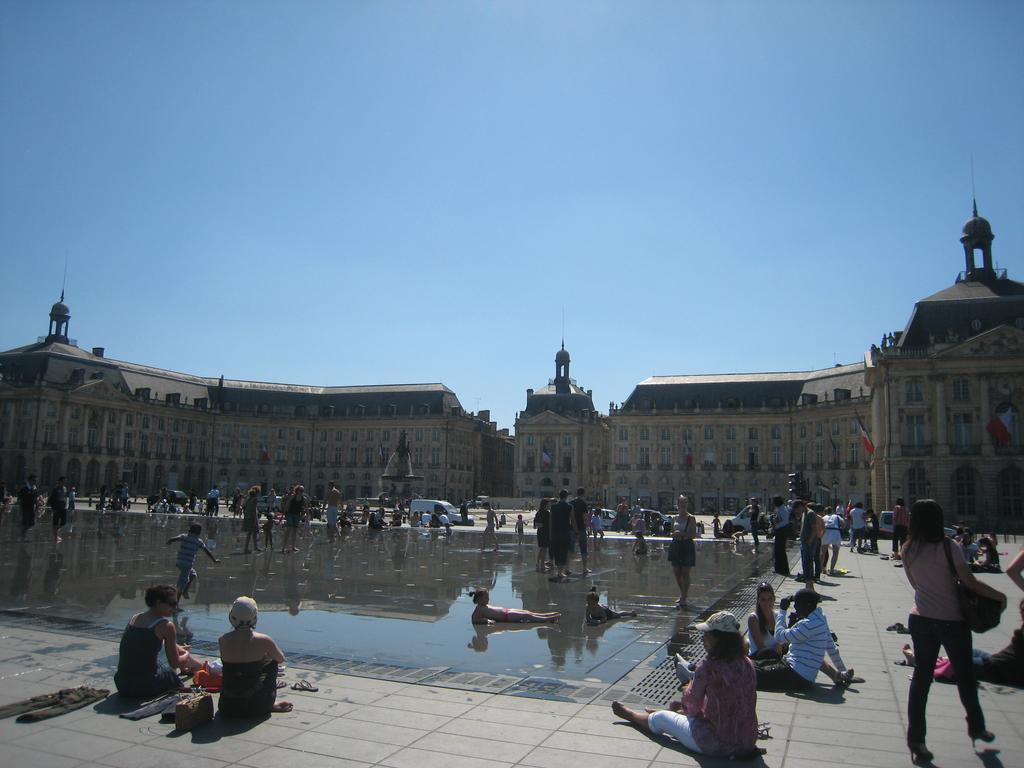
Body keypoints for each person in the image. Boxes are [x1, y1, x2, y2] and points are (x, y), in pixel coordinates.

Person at [901, 499, 1007, 763]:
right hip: (951, 620)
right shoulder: (950, 547)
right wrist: (1000, 596)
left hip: (920, 619)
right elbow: (969, 582)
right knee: (965, 676)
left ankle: (916, 741)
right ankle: (976, 726)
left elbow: (915, 584)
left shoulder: (908, 548)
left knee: (920, 681)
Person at [611, 611, 758, 759]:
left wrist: (687, 691)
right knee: (682, 713)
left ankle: (631, 715)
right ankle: (667, 714)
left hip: (718, 745)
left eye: (706, 634)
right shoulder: (747, 663)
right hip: (747, 741)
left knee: (662, 718)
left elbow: (692, 709)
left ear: (717, 639)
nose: (703, 638)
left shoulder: (708, 668)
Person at [754, 588, 854, 691]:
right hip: (804, 677)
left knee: (753, 673)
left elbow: (779, 636)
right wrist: (843, 671)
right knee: (759, 664)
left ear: (808, 605)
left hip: (795, 675)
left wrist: (782, 610)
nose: (795, 608)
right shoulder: (820, 620)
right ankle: (838, 676)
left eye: (797, 604)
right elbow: (832, 649)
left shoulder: (808, 625)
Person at [114, 584, 203, 698]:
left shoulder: (135, 617)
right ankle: (198, 666)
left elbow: (145, 641)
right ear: (158, 603)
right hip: (145, 686)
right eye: (172, 604)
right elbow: (174, 663)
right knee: (176, 664)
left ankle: (193, 665)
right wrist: (186, 654)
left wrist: (177, 648)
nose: (176, 608)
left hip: (122, 684)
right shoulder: (166, 626)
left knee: (165, 645)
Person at [218, 596, 294, 715]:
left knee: (235, 671)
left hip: (227, 706)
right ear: (254, 618)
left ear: (231, 617)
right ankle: (269, 703)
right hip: (256, 706)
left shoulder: (222, 640)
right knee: (272, 662)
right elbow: (280, 659)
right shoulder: (264, 640)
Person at [167, 523, 219, 600]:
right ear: (198, 533)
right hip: (187, 564)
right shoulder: (199, 541)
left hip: (179, 562)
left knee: (193, 574)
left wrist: (170, 541)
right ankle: (175, 604)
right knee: (182, 583)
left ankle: (185, 591)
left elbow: (174, 538)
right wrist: (214, 560)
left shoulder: (184, 536)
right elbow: (206, 551)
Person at [469, 587, 560, 624]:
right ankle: (549, 618)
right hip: (507, 616)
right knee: (527, 616)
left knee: (528, 612)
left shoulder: (484, 606)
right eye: (486, 598)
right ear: (479, 599)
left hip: (507, 611)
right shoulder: (479, 609)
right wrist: (487, 620)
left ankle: (546, 615)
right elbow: (474, 620)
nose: (488, 599)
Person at [668, 494, 697, 608]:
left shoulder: (691, 518)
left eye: (685, 502)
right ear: (677, 504)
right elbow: (671, 532)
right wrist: (673, 534)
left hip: (687, 545)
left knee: (685, 572)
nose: (683, 505)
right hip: (676, 545)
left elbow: (694, 534)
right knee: (676, 573)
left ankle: (684, 597)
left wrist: (682, 534)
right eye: (681, 502)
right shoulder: (674, 518)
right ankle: (682, 593)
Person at [747, 581, 784, 659]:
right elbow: (761, 647)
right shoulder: (753, 618)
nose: (767, 603)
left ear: (774, 599)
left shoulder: (778, 616)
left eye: (770, 599)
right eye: (763, 599)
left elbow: (784, 638)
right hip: (759, 658)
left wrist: (780, 644)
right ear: (758, 601)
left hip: (776, 657)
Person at [548, 490, 573, 581]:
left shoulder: (553, 507)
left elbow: (550, 521)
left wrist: (550, 533)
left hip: (555, 532)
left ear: (559, 496)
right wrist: (576, 531)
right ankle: (560, 572)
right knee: (564, 551)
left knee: (557, 551)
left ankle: (559, 571)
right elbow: (572, 520)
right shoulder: (569, 506)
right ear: (566, 496)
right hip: (565, 532)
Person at [798, 503, 821, 588]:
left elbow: (815, 529)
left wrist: (809, 542)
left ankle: (809, 586)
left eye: (798, 509)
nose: (797, 511)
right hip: (804, 543)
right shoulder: (804, 513)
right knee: (805, 565)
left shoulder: (810, 513)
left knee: (808, 564)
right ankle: (809, 587)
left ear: (801, 506)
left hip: (808, 544)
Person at [570, 487, 590, 574]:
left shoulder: (571, 503)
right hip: (581, 528)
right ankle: (584, 568)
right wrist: (588, 526)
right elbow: (585, 517)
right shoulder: (583, 504)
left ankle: (567, 568)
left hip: (571, 528)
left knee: (570, 548)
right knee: (583, 548)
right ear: (583, 494)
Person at [820, 505, 844, 576]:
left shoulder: (823, 517)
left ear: (825, 512)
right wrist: (841, 528)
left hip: (826, 532)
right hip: (835, 532)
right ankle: (831, 570)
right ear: (832, 511)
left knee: (823, 552)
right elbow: (843, 524)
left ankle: (821, 569)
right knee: (835, 552)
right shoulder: (837, 516)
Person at [771, 496, 792, 575]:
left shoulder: (782, 509)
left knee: (780, 551)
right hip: (780, 530)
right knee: (778, 551)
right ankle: (779, 568)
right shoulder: (780, 508)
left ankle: (783, 569)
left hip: (781, 531)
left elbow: (785, 521)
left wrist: (776, 526)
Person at [281, 485, 305, 553]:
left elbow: (306, 507)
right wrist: (283, 514)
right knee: (288, 530)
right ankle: (283, 547)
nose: (301, 492)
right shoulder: (292, 496)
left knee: (295, 531)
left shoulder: (303, 498)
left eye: (302, 491)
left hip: (297, 515)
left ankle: (293, 546)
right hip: (290, 514)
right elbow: (287, 504)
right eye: (300, 490)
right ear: (297, 490)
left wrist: (308, 516)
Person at [18, 474, 40, 542]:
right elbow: (20, 499)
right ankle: (23, 536)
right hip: (25, 507)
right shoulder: (24, 488)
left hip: (31, 508)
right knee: (25, 523)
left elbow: (36, 498)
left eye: (36, 481)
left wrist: (37, 506)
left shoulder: (34, 489)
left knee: (31, 523)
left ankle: (23, 534)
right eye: (34, 480)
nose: (35, 482)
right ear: (30, 481)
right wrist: (21, 509)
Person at [48, 476, 69, 543]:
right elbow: (52, 499)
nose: (65, 482)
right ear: (60, 481)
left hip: (63, 508)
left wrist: (66, 505)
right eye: (64, 481)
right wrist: (53, 508)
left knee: (64, 522)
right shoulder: (56, 489)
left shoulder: (65, 488)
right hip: (57, 508)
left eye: (65, 481)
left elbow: (65, 497)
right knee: (56, 522)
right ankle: (55, 536)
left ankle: (55, 530)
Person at [241, 486, 261, 554]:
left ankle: (255, 547)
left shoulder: (248, 498)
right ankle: (246, 549)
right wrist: (255, 519)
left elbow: (244, 506)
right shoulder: (255, 499)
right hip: (252, 517)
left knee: (252, 533)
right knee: (251, 533)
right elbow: (253, 510)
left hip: (247, 516)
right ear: (257, 493)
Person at [534, 497, 551, 572]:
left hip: (540, 532)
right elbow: (550, 523)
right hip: (545, 532)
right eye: (548, 504)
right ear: (545, 505)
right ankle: (542, 565)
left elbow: (536, 524)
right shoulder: (546, 513)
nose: (549, 505)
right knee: (544, 549)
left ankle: (538, 562)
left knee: (541, 548)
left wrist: (541, 526)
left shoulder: (538, 512)